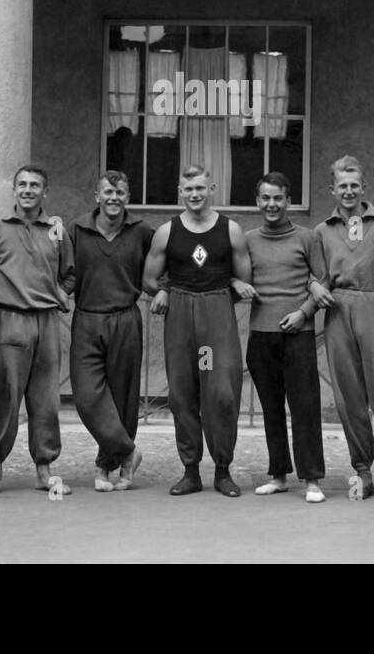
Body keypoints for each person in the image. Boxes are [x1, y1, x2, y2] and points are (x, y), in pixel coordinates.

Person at [142, 164, 253, 498]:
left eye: (200, 189)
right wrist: (160, 290)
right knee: (183, 393)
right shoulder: (167, 232)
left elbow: (245, 278)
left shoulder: (230, 230)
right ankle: (190, 471)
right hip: (180, 311)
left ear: (211, 188)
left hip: (216, 311)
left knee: (220, 391)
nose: (194, 195)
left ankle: (222, 469)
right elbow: (148, 277)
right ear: (180, 191)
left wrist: (230, 284)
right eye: (188, 189)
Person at [313, 156, 374, 499]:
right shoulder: (322, 231)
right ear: (332, 189)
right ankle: (363, 471)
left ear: (364, 187)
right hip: (339, 310)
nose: (349, 191)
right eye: (342, 185)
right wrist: (315, 287)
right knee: (349, 399)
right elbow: (313, 274)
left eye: (355, 185)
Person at [0, 164, 76, 496]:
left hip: (47, 320)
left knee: (46, 398)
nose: (28, 190)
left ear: (44, 192)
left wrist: (64, 290)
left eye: (35, 185)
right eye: (22, 184)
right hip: (10, 320)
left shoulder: (56, 230)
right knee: (5, 396)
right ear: (14, 190)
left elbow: (71, 273)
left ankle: (44, 469)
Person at [68, 170, 154, 492]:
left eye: (120, 192)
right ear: (97, 196)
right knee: (87, 396)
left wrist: (163, 289)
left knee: (123, 398)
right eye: (108, 192)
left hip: (125, 318)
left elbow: (163, 263)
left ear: (128, 197)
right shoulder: (76, 228)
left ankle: (108, 466)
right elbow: (63, 268)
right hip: (87, 318)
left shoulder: (142, 231)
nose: (113, 198)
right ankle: (130, 452)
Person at [244, 172, 328, 503]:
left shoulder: (307, 238)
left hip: (299, 333)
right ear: (257, 201)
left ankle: (312, 479)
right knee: (271, 409)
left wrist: (303, 313)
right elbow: (236, 276)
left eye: (278, 198)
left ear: (288, 201)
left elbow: (323, 280)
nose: (271, 204)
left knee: (305, 407)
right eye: (265, 198)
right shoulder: (248, 239)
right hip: (261, 335)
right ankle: (278, 474)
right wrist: (238, 285)